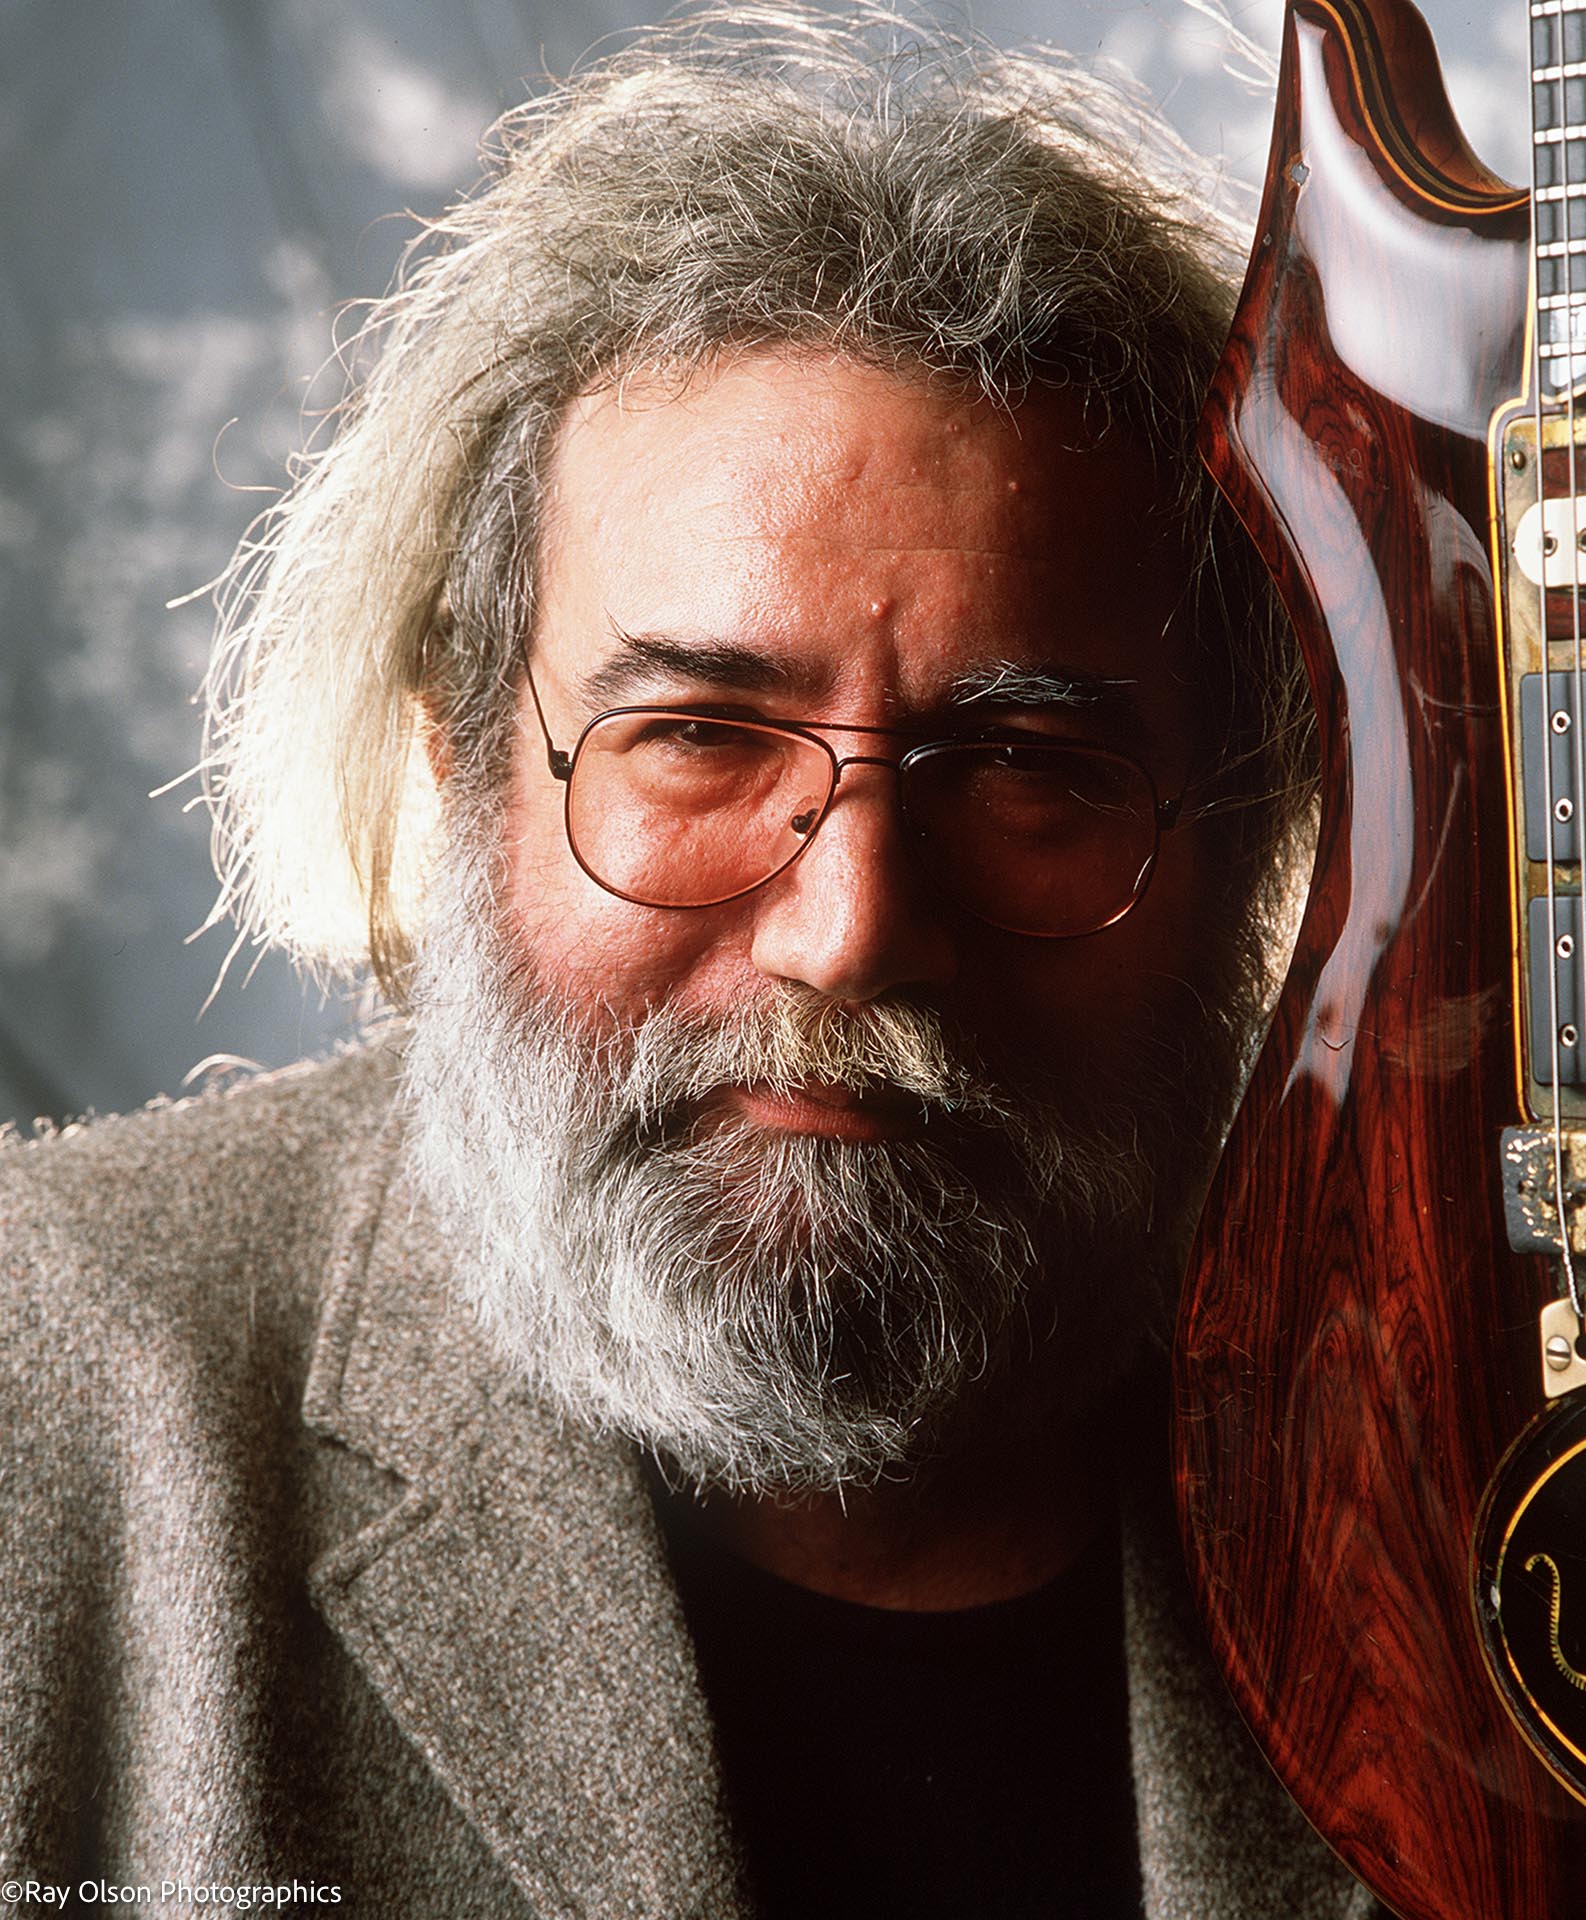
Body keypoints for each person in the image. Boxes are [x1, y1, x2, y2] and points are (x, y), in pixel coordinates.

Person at [0, 11, 1367, 1917]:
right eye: (699, 740)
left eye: (1026, 769)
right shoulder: (50, 1391)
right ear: (454, 778)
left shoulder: (1480, 1436)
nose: (850, 931)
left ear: (1251, 843)